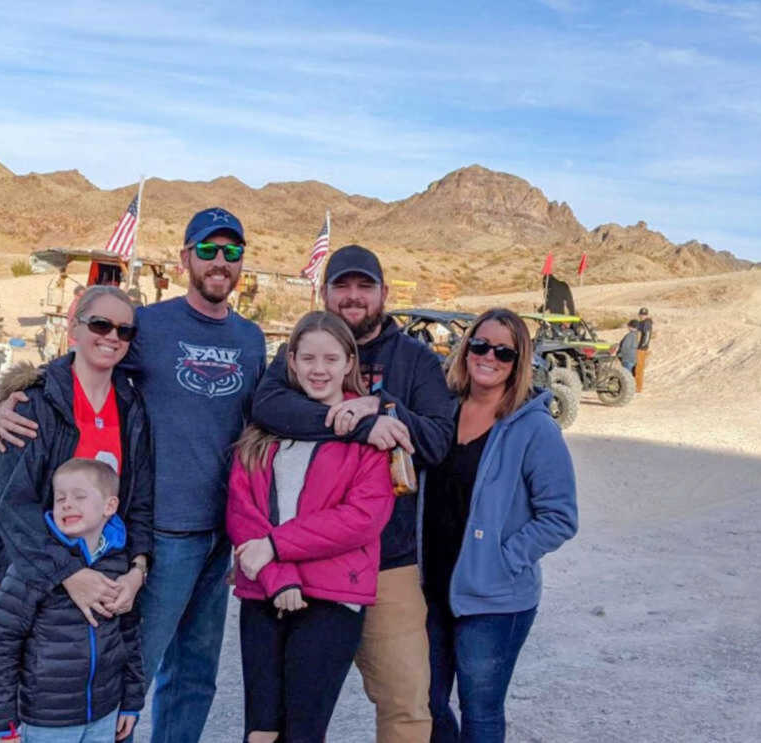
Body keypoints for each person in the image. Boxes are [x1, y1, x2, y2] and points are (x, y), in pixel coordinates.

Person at [0, 207, 266, 743]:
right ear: (187, 257)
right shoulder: (153, 325)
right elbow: (84, 361)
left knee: (196, 675)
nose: (219, 261)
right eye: (208, 250)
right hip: (164, 529)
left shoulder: (252, 339)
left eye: (231, 252)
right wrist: (7, 402)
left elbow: (267, 415)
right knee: (134, 667)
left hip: (222, 533)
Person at [252, 245, 455, 743]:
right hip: (305, 554)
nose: (353, 297)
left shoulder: (417, 361)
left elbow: (436, 441)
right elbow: (267, 405)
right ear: (325, 293)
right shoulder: (305, 348)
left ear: (384, 294)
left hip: (388, 561)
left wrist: (383, 409)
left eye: (365, 287)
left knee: (407, 702)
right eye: (342, 286)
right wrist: (348, 422)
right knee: (286, 713)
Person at [0, 285, 154, 743]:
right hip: (16, 579)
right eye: (100, 325)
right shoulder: (36, 401)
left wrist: (138, 568)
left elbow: (138, 499)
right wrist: (68, 572)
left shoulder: (132, 406)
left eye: (124, 329)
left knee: (83, 710)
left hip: (95, 579)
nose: (111, 337)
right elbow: (12, 503)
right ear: (74, 329)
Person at [227, 311, 395, 742]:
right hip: (263, 589)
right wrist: (276, 574)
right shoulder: (263, 430)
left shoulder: (367, 435)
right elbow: (242, 510)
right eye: (308, 359)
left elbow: (363, 518)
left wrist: (276, 546)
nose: (319, 369)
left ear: (348, 362)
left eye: (330, 359)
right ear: (293, 362)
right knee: (260, 732)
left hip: (331, 597)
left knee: (303, 733)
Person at [422, 308, 578, 742]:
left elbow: (560, 517)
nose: (488, 356)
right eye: (479, 344)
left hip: (494, 601)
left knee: (481, 713)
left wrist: (503, 558)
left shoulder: (534, 429)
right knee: (425, 702)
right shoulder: (442, 411)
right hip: (432, 589)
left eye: (503, 352)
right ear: (466, 348)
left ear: (519, 361)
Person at [0, 458, 145, 742]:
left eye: (80, 496)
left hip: (103, 718)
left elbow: (128, 637)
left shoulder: (117, 564)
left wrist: (131, 701)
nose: (67, 504)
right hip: (46, 724)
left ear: (110, 506)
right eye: (60, 498)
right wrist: (4, 726)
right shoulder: (32, 568)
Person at [635, 307, 652, 392]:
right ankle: (637, 386)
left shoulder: (646, 323)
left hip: (641, 349)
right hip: (639, 348)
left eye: (644, 315)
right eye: (641, 314)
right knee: (637, 367)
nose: (642, 316)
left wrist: (643, 346)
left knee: (639, 368)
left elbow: (647, 335)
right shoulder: (642, 323)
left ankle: (638, 387)